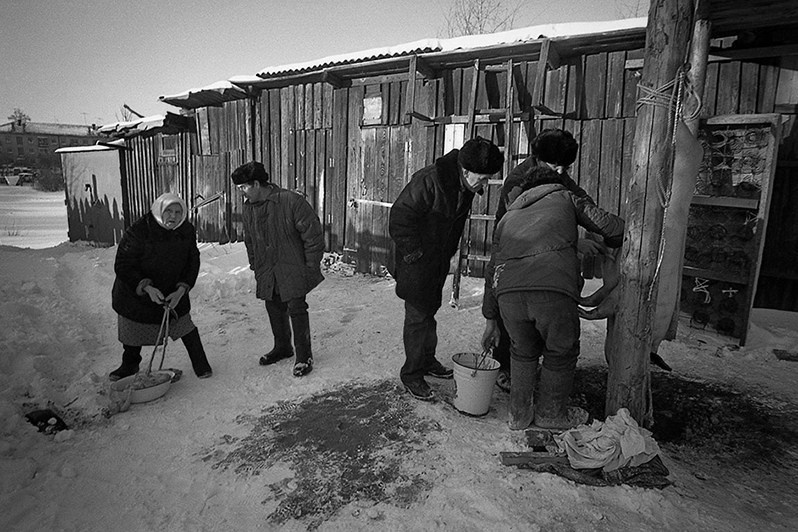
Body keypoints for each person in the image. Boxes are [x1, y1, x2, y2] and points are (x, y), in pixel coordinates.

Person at [481, 165, 624, 430]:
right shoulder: (565, 196)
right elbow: (612, 228)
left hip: (508, 297)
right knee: (561, 351)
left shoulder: (507, 217)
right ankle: (551, 414)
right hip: (553, 290)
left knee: (522, 352)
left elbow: (492, 269)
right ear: (554, 183)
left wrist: (490, 317)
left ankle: (518, 415)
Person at [488, 129, 604, 393]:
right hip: (514, 250)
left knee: (531, 318)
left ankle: (526, 373)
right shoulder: (519, 182)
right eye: (556, 165)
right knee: (513, 310)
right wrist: (573, 243)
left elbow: (579, 199)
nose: (561, 172)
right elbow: (529, 226)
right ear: (539, 159)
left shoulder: (557, 175)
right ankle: (505, 368)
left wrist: (593, 222)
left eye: (567, 167)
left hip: (541, 251)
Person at [389, 136, 504, 401]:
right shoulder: (429, 181)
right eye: (483, 178)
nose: (485, 185)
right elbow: (399, 217)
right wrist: (415, 255)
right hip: (416, 261)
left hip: (436, 260)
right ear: (465, 171)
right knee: (418, 315)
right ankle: (412, 374)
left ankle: (427, 360)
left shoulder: (464, 185)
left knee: (429, 310)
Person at [231, 161, 324, 377]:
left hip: (292, 265)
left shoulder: (290, 201)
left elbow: (313, 236)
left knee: (296, 307)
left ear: (256, 184)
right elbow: (249, 240)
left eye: (244, 188)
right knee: (273, 305)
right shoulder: (248, 207)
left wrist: (311, 266)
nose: (242, 193)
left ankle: (304, 356)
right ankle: (282, 347)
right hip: (266, 267)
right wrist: (255, 264)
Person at [110, 192, 212, 381]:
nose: (173, 216)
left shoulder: (186, 230)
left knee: (184, 325)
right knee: (133, 329)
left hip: (173, 290)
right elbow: (123, 264)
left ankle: (200, 362)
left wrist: (182, 290)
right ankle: (129, 364)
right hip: (138, 292)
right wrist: (146, 287)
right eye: (168, 211)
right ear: (158, 210)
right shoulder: (140, 230)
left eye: (178, 212)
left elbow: (193, 261)